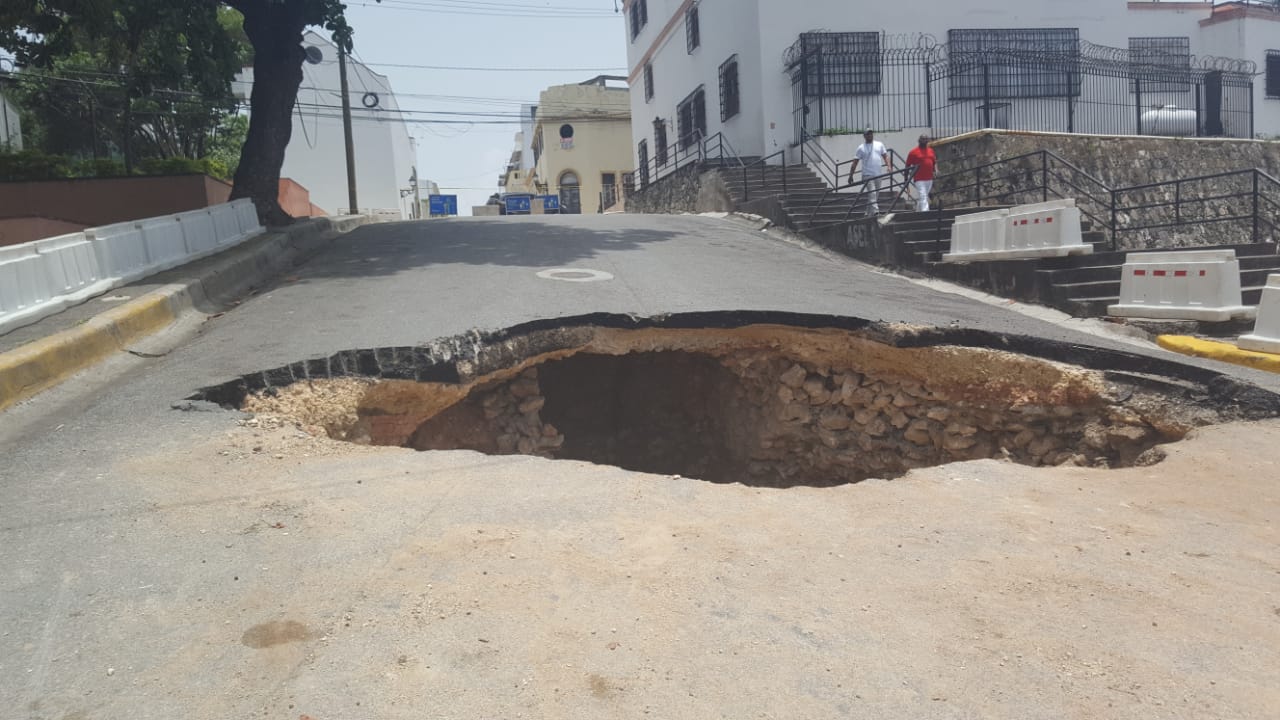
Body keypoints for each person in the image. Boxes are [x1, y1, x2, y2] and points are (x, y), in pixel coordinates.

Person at [849, 130, 891, 215]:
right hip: (867, 175)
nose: (870, 135)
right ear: (864, 136)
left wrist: (889, 166)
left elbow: (885, 156)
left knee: (874, 196)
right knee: (872, 194)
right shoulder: (861, 148)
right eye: (868, 134)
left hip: (878, 174)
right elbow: (855, 162)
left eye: (871, 134)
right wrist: (851, 175)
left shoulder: (879, 144)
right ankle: (876, 212)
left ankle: (867, 214)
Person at [905, 134, 938, 212]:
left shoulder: (931, 150)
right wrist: (906, 180)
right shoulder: (913, 152)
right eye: (923, 139)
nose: (924, 141)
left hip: (929, 178)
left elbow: (934, 162)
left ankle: (918, 212)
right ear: (919, 140)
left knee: (923, 196)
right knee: (923, 196)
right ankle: (925, 213)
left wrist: (936, 170)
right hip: (919, 179)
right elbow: (907, 166)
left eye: (926, 139)